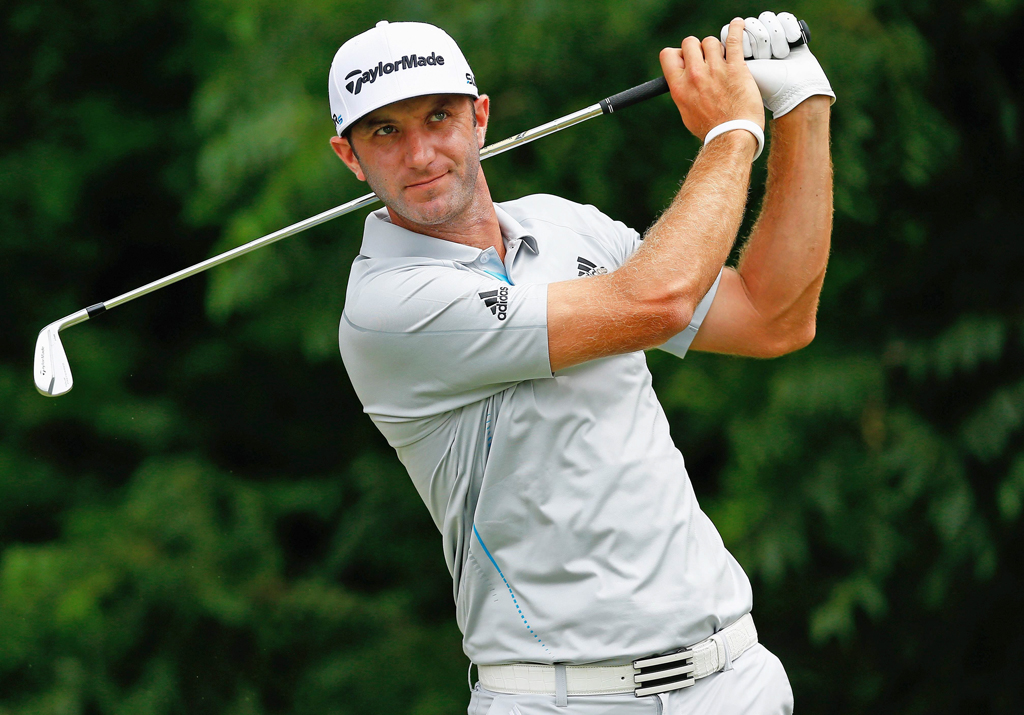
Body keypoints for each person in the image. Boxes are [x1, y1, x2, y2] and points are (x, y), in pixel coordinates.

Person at [329, 13, 833, 715]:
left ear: (479, 118)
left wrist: (801, 105)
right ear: (349, 156)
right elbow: (653, 302)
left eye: (437, 117)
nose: (419, 154)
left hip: (732, 677)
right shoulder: (388, 307)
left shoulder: (566, 225)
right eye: (385, 131)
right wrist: (733, 132)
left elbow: (772, 316)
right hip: (562, 697)